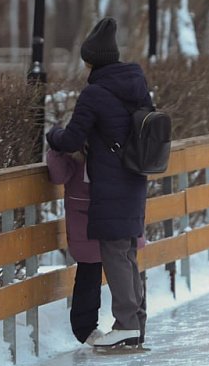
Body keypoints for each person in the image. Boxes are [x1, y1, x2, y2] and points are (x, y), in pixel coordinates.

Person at [46, 17, 153, 349]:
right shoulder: (137, 86)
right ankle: (136, 323)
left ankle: (125, 324)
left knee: (115, 252)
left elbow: (71, 138)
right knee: (127, 253)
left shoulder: (94, 93)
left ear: (91, 60)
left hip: (108, 184)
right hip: (135, 178)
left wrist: (52, 134)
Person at [47, 147, 146, 346]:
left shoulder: (114, 139)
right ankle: (103, 327)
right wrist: (57, 145)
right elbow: (59, 174)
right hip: (90, 214)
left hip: (111, 212)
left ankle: (130, 326)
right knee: (98, 268)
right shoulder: (79, 144)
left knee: (123, 265)